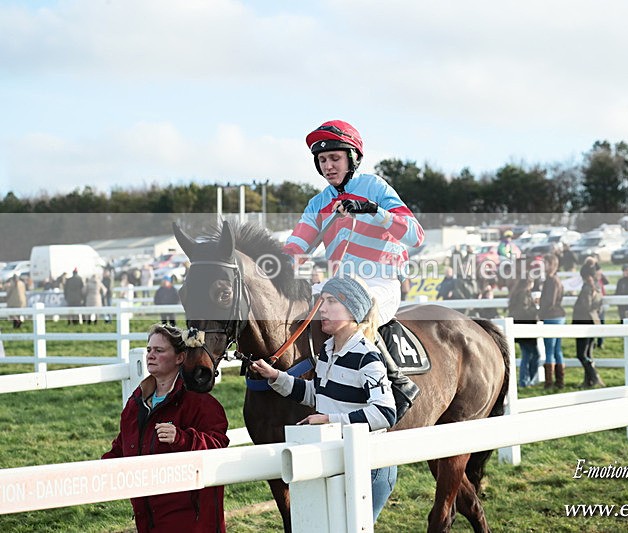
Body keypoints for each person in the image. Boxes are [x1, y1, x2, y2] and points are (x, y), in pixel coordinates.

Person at [282, 120, 423, 414]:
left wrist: (374, 211)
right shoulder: (318, 204)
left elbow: (414, 235)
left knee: (353, 307)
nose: (328, 166)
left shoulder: (374, 186)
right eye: (322, 160)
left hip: (380, 283)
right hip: (339, 288)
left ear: (352, 158)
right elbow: (296, 248)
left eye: (335, 158)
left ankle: (397, 382)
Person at [249, 274, 397, 523]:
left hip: (367, 467)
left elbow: (385, 413)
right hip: (338, 460)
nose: (321, 309)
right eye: (321, 301)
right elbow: (316, 394)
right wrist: (275, 376)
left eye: (330, 302)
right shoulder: (327, 352)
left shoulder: (366, 356)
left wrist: (330, 419)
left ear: (352, 310)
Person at [102, 323, 229, 532]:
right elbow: (123, 445)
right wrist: (97, 472)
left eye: (159, 350)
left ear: (180, 357)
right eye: (149, 350)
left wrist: (182, 439)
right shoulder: (137, 402)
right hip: (148, 519)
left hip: (191, 522)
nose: (150, 355)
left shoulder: (199, 402)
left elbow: (218, 446)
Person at [572, 258, 605, 388]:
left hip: (583, 323)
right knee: (588, 353)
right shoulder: (597, 287)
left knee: (581, 354)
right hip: (593, 322)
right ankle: (588, 381)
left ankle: (594, 376)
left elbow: (585, 306)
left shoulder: (587, 288)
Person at [539, 254, 566, 389]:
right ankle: (560, 381)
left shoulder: (551, 280)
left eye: (545, 263)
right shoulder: (557, 280)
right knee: (557, 350)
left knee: (549, 349)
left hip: (552, 316)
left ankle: (549, 382)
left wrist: (540, 313)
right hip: (559, 316)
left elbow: (550, 301)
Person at [508, 276, 541, 388]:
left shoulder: (517, 293)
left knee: (527, 355)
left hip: (521, 327)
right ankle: (526, 380)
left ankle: (525, 380)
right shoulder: (524, 294)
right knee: (532, 355)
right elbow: (524, 311)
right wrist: (536, 308)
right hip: (526, 327)